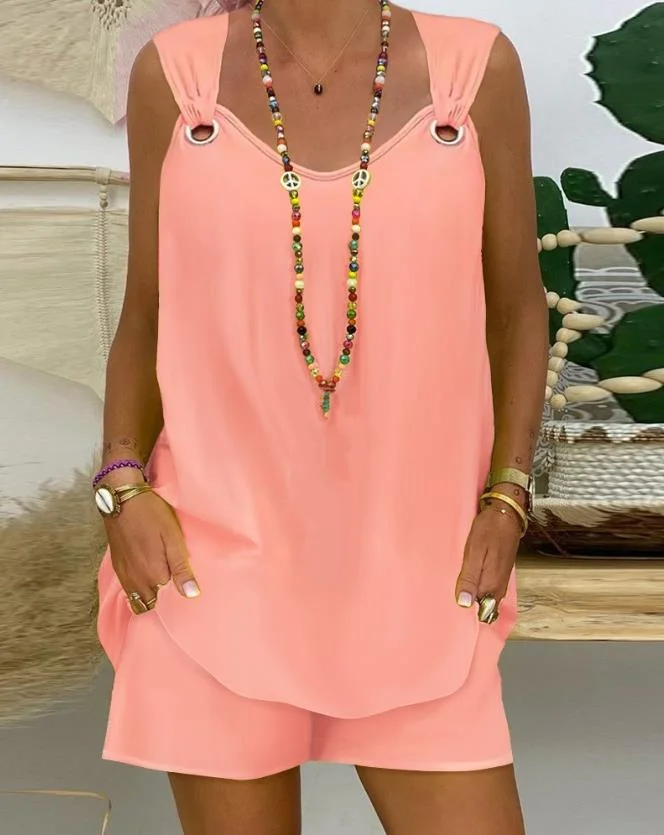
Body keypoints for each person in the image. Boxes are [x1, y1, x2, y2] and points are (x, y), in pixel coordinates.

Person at [95, 0, 548, 832]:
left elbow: (517, 309)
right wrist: (122, 485)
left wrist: (507, 494)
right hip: (211, 563)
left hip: (420, 569)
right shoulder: (177, 76)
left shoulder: (475, 70)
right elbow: (149, 310)